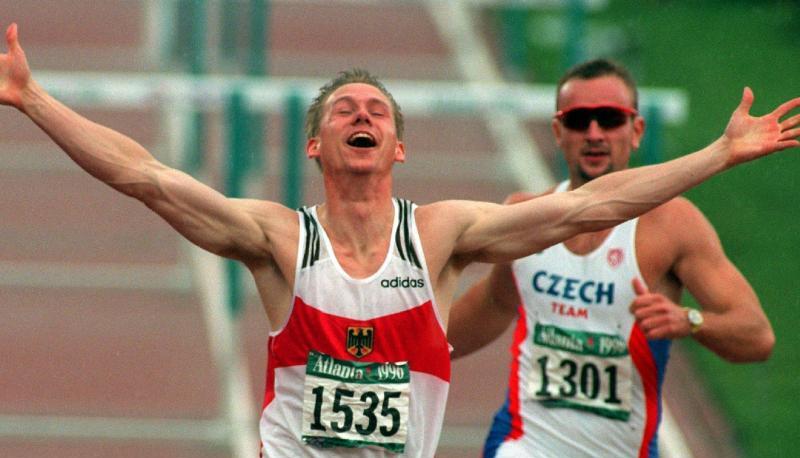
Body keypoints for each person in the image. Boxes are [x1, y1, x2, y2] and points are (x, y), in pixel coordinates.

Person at [2, 22, 798, 457]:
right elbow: (145, 176)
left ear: (400, 149)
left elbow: (587, 210)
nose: (361, 115)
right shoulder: (280, 239)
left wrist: (717, 155)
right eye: (344, 109)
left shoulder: (444, 234)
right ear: (314, 146)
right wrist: (34, 99)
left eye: (378, 111)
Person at [446, 58, 779, 458]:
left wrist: (690, 321)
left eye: (609, 119)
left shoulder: (673, 224)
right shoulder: (523, 215)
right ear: (558, 131)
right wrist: (393, 354)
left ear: (636, 131)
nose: (594, 133)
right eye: (578, 120)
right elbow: (491, 306)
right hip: (524, 443)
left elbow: (757, 337)